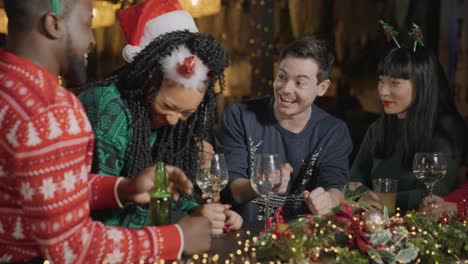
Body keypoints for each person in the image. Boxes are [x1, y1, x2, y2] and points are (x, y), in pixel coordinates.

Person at [0, 0, 212, 262]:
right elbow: (71, 249)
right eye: (87, 24)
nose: (91, 39)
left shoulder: (10, 88)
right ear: (53, 25)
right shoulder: (50, 110)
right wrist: (176, 239)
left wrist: (122, 188)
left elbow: (44, 187)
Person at [78, 0, 242, 235]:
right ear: (149, 78)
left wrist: (205, 214)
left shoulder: (175, 127)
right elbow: (99, 211)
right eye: (168, 105)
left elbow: (172, 199)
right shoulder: (109, 107)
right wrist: (178, 229)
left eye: (186, 113)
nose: (175, 120)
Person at [216, 36, 352, 223]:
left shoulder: (333, 131)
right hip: (244, 235)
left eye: (300, 83)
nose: (286, 89)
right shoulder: (240, 116)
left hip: (304, 239)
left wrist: (329, 201)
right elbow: (232, 190)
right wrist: (260, 185)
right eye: (282, 77)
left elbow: (335, 186)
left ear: (322, 87)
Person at [349, 46, 467, 212]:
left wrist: (382, 199)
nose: (383, 91)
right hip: (374, 224)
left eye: (394, 83)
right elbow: (351, 183)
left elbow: (434, 194)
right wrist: (362, 195)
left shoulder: (447, 128)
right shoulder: (377, 128)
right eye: (381, 80)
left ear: (422, 85)